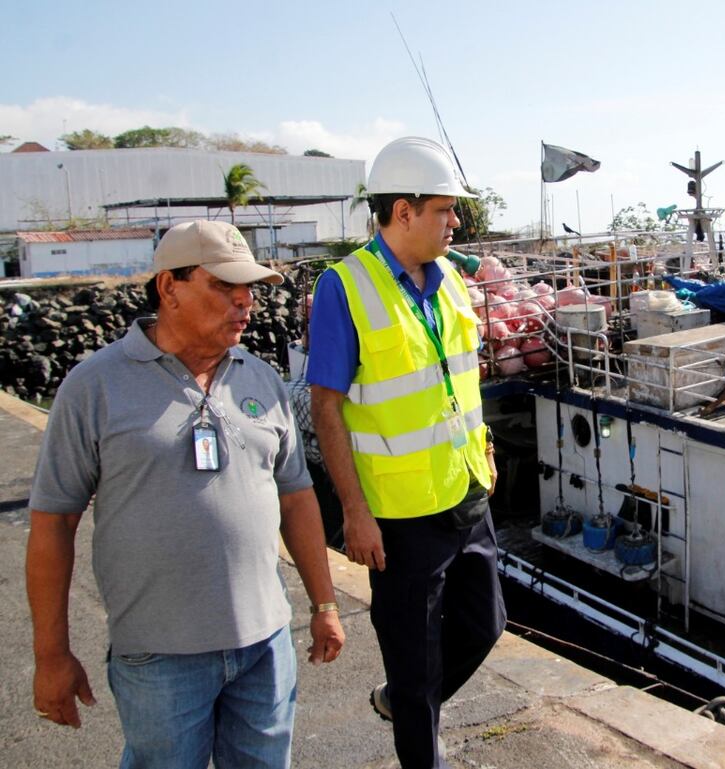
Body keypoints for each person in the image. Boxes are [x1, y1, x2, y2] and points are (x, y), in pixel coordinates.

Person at [26, 219, 345, 768]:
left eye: (250, 288)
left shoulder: (261, 379)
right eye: (224, 286)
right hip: (159, 658)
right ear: (168, 287)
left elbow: (296, 499)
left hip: (266, 646)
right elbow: (53, 523)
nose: (245, 301)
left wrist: (324, 605)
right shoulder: (94, 387)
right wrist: (51, 655)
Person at [308, 136, 505, 769]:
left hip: (468, 488)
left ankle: (405, 699)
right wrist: (355, 512)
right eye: (445, 210)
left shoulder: (447, 279)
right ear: (403, 212)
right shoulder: (346, 288)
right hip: (400, 514)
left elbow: (458, 379)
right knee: (414, 657)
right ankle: (416, 723)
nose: (455, 222)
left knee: (486, 623)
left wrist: (488, 445)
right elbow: (327, 406)